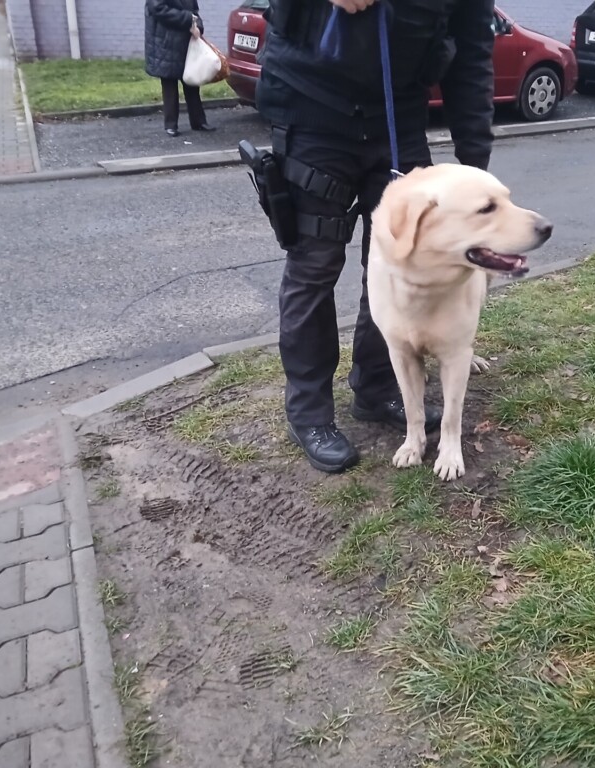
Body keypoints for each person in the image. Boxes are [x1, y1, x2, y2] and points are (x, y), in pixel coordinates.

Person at [255, 0, 495, 474]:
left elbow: (472, 51)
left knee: (397, 260)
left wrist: (475, 168)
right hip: (312, 104)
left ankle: (378, 386)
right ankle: (309, 412)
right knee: (314, 264)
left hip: (398, 112)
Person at [144, 0, 216, 137]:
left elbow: (194, 11)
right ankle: (171, 125)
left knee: (192, 81)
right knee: (169, 83)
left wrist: (198, 26)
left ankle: (198, 121)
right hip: (165, 41)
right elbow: (158, 9)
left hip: (185, 39)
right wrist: (188, 19)